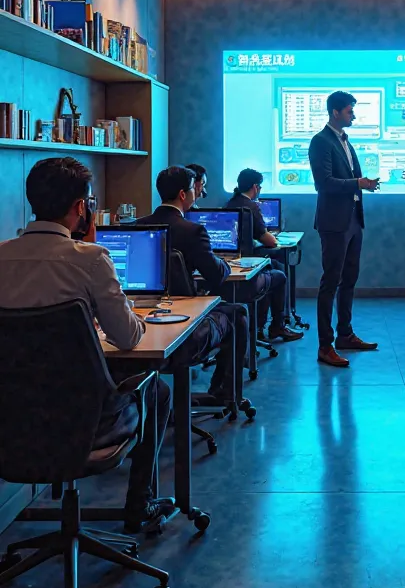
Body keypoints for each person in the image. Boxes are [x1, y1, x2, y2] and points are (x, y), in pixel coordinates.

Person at [0, 157, 172, 533]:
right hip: (84, 422)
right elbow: (127, 338)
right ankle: (137, 506)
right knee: (154, 389)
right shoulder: (91, 259)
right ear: (82, 208)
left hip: (11, 421)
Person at [137, 166, 249, 404]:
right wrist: (225, 263)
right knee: (238, 313)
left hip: (143, 316)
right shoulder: (193, 230)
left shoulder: (136, 226)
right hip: (183, 322)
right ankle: (225, 394)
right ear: (182, 194)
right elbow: (216, 275)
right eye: (193, 190)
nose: (196, 194)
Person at [308, 90, 379, 367]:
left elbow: (349, 178)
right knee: (330, 282)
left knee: (349, 279)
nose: (354, 115)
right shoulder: (320, 141)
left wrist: (364, 185)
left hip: (352, 219)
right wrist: (358, 183)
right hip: (334, 222)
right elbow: (324, 183)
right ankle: (325, 346)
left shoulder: (346, 142)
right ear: (335, 112)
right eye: (350, 111)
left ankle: (345, 335)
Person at [225, 168, 302, 342]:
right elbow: (270, 241)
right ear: (255, 187)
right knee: (280, 272)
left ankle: (261, 324)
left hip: (232, 261)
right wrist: (270, 237)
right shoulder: (251, 207)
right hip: (249, 263)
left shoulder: (230, 203)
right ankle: (277, 325)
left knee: (274, 264)